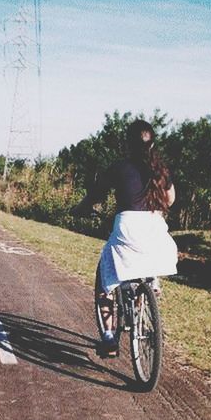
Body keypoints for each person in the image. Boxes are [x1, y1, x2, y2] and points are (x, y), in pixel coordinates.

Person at [70, 119, 178, 355]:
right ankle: (150, 284)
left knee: (105, 279)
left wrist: (81, 208)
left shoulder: (118, 168)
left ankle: (109, 338)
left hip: (127, 227)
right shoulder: (161, 169)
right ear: (152, 144)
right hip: (155, 227)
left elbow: (95, 195)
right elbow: (170, 200)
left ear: (127, 144)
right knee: (147, 257)